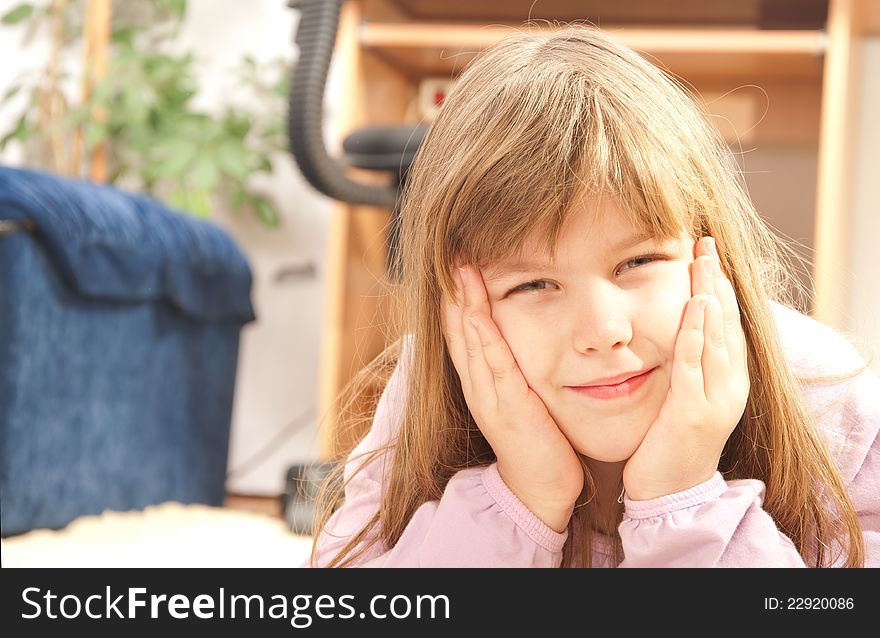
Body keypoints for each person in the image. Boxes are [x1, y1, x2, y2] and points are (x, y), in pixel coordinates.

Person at [304, 25, 879, 567]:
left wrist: (684, 506)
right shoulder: (438, 378)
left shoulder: (827, 401)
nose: (605, 330)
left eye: (640, 261)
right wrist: (522, 498)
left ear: (714, 256)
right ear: (459, 304)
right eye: (533, 284)